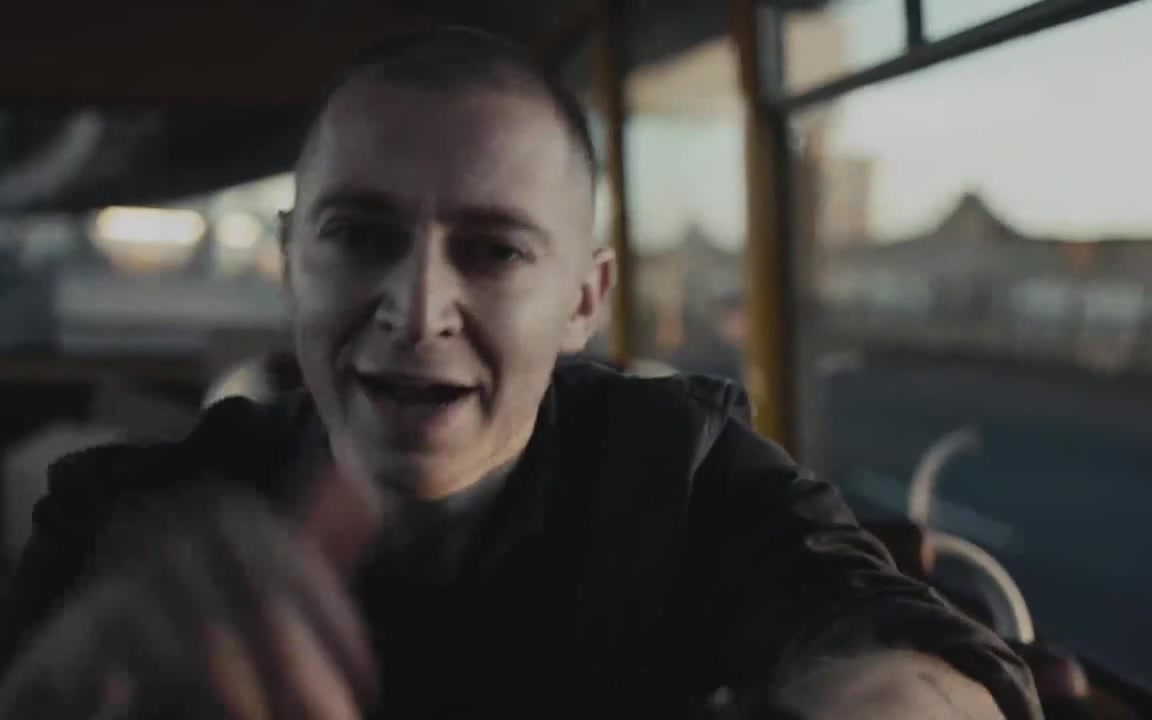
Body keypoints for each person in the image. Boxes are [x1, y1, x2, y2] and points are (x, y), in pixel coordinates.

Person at [0, 28, 1040, 719]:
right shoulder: (129, 513)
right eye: (359, 236)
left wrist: (876, 703)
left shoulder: (685, 475)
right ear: (289, 260)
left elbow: (896, 646)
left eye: (493, 251)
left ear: (584, 300)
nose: (417, 309)